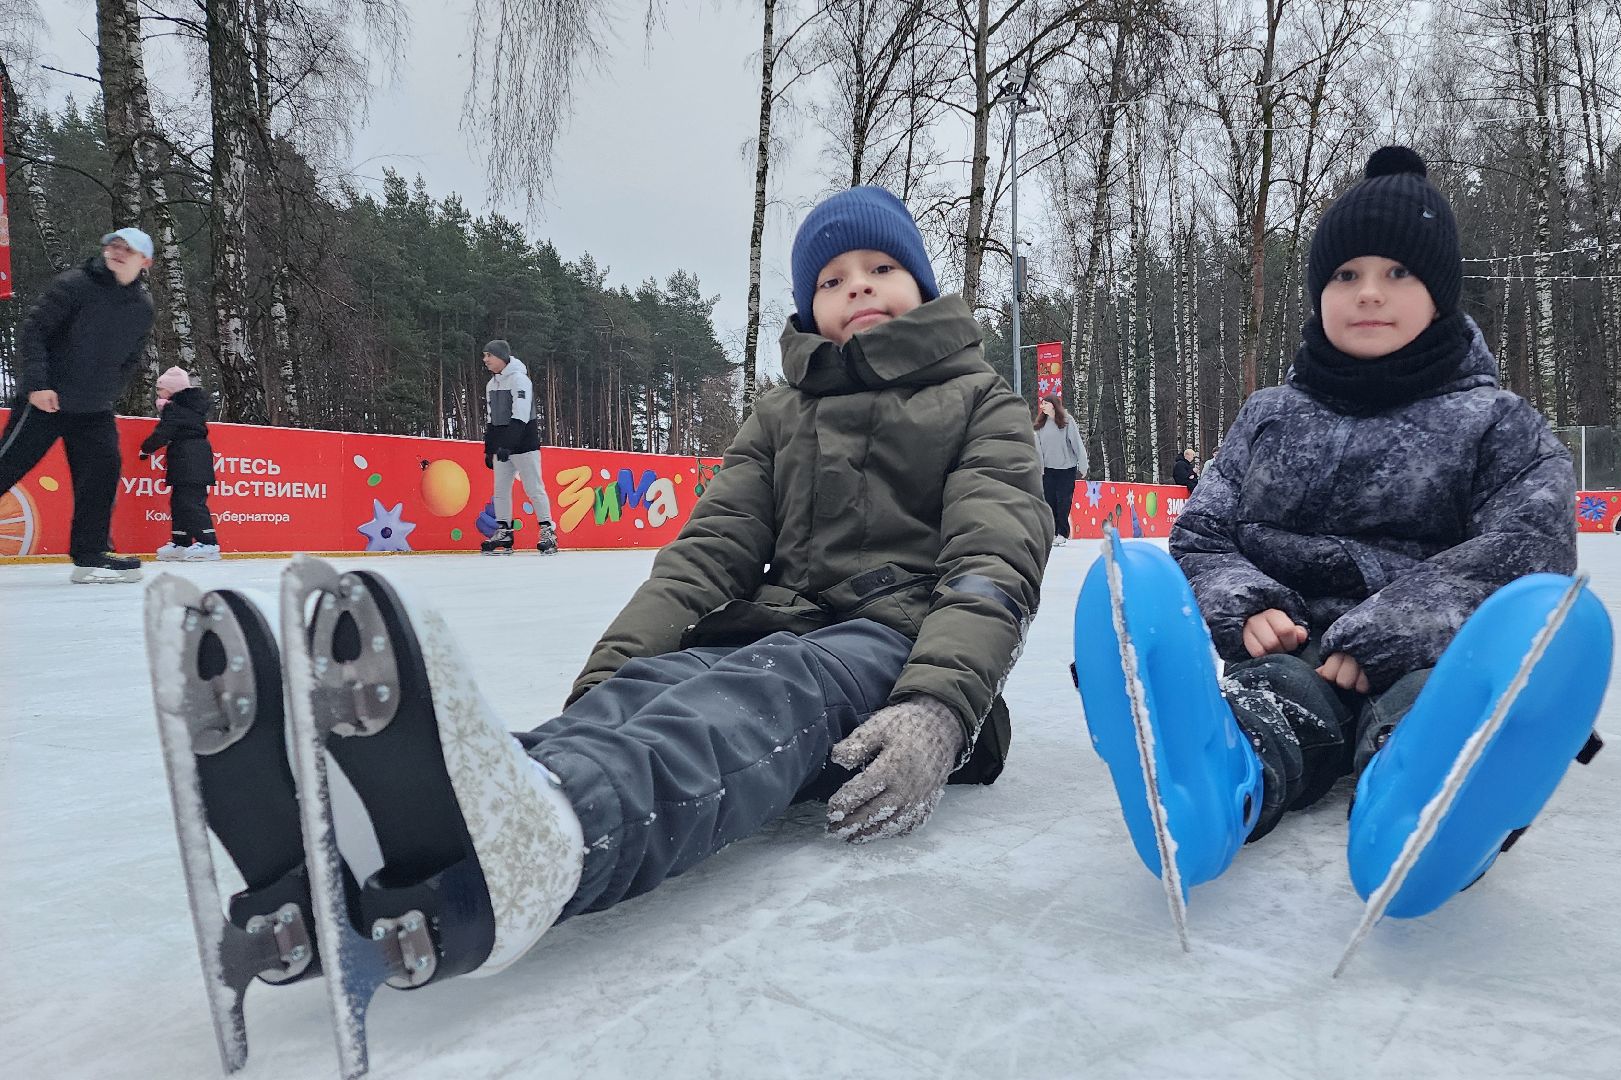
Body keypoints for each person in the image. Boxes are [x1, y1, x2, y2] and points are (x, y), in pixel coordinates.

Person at [273, 186, 1051, 979]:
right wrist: (615, 668)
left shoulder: (981, 402)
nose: (857, 285)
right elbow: (707, 554)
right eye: (831, 278)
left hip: (898, 654)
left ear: (921, 283)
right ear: (809, 308)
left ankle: (555, 836)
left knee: (763, 686)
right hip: (780, 629)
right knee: (660, 683)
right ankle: (414, 833)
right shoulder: (783, 415)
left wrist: (939, 707)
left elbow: (992, 563)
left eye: (881, 266)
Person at [1169, 147, 1576, 839]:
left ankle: (1429, 807)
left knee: (1431, 706)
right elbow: (1204, 532)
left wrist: (1390, 631)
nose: (1367, 292)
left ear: (1440, 293)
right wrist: (1249, 605)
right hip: (1290, 645)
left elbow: (1530, 549)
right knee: (1276, 701)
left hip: (1430, 651)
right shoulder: (1269, 414)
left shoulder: (1497, 423)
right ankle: (1221, 783)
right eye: (1345, 273)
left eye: (1397, 271)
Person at [0, 227, 156, 583]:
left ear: (145, 261)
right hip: (45, 400)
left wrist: (109, 391)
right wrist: (38, 385)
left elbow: (132, 356)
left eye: (127, 249)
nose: (117, 252)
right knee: (7, 467)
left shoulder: (142, 306)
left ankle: (90, 554)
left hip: (94, 407)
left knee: (102, 473)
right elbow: (34, 331)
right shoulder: (75, 285)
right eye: (113, 245)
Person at [479, 340, 557, 555]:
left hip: (524, 443)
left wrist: (508, 444)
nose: (485, 360)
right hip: (503, 446)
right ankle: (504, 531)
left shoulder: (519, 379)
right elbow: (491, 419)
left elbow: (521, 415)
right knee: (500, 491)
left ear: (501, 356)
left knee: (534, 488)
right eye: (484, 355)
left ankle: (547, 530)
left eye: (489, 355)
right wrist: (490, 448)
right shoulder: (492, 384)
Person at [140, 366, 219, 560]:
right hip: (189, 458)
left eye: (160, 389)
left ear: (172, 390)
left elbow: (164, 432)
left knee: (191, 502)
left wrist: (145, 448)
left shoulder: (175, 409)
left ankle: (208, 542)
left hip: (190, 459)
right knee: (179, 502)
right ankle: (180, 541)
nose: (158, 393)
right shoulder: (188, 407)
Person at [1033, 395, 1087, 546]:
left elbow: (1077, 443)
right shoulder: (1040, 425)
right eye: (1041, 403)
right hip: (1048, 470)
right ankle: (1053, 533)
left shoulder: (1067, 420)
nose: (1042, 406)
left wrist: (1083, 464)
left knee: (1063, 501)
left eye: (1045, 403)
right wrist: (1040, 468)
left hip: (1066, 468)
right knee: (1050, 502)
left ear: (1053, 405)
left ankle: (1062, 533)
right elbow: (1038, 450)